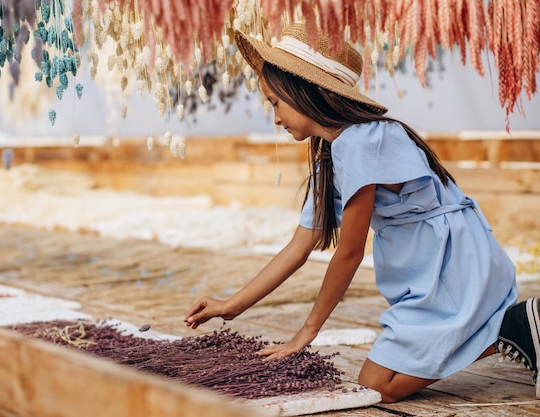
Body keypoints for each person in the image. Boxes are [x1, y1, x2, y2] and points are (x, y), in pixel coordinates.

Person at [184, 22, 539, 403]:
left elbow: (350, 252)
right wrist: (231, 305)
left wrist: (307, 331)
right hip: (435, 268)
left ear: (309, 91)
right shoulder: (334, 154)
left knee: (377, 386)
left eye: (275, 102)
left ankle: (514, 327)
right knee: (378, 383)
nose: (275, 118)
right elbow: (297, 249)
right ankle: (518, 327)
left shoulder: (359, 142)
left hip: (450, 269)